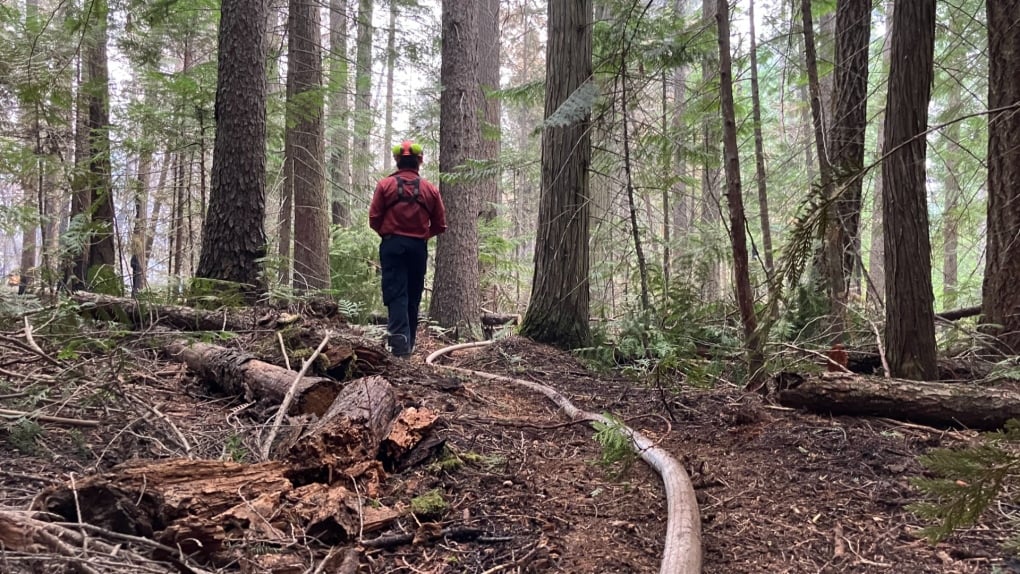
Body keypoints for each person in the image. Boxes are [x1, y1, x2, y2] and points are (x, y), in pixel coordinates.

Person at [369, 140, 447, 358]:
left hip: (392, 245)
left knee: (396, 294)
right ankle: (408, 344)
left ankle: (398, 345)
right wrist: (421, 235)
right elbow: (440, 225)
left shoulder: (385, 185)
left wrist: (388, 233)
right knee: (413, 295)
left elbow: (374, 218)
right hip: (417, 248)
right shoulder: (430, 189)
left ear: (397, 161)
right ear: (419, 161)